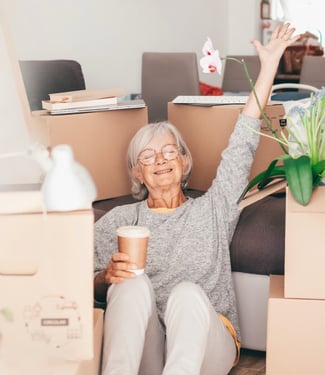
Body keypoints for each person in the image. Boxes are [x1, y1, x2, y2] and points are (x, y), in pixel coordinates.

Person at [94, 23, 299, 375]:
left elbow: (244, 140)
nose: (159, 160)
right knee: (130, 287)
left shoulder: (214, 209)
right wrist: (105, 277)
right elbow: (76, 283)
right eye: (147, 156)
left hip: (208, 343)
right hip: (151, 348)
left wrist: (269, 67)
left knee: (187, 293)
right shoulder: (118, 221)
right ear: (136, 173)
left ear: (185, 162)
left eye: (169, 151)